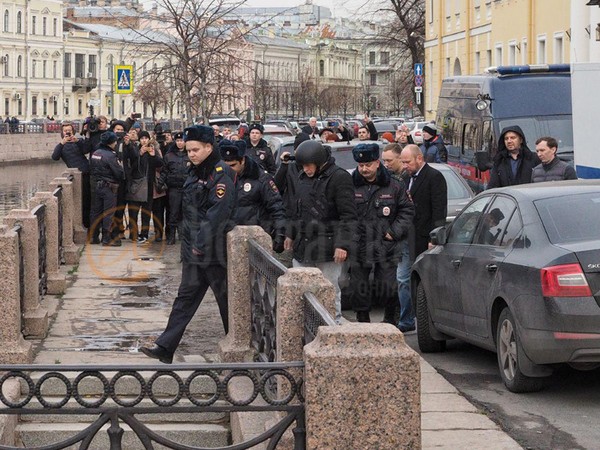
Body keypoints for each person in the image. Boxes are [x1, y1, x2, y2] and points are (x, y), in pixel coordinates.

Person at [141, 125, 237, 364]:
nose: (191, 154)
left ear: (208, 147)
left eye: (196, 150)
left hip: (213, 254)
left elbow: (217, 215)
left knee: (227, 303)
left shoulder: (220, 173)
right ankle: (165, 347)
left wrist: (199, 245)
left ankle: (239, 347)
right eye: (189, 149)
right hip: (194, 251)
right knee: (184, 299)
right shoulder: (194, 172)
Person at [284, 140, 357, 321]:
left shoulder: (339, 177)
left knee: (329, 288)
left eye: (308, 166)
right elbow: (297, 208)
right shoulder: (302, 178)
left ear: (318, 162)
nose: (306, 169)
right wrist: (290, 234)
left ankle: (333, 322)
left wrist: (342, 245)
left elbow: (348, 215)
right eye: (303, 166)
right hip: (304, 244)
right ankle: (306, 325)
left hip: (329, 245)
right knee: (301, 288)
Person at [349, 143, 414, 324]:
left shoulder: (395, 185)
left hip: (386, 245)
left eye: (368, 165)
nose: (364, 169)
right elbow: (343, 212)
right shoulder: (350, 185)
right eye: (361, 166)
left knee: (388, 286)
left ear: (377, 163)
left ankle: (390, 320)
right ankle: (363, 322)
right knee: (358, 288)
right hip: (360, 244)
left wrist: (393, 233)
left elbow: (407, 211)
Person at [219, 139, 286, 252]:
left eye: (233, 165)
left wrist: (280, 235)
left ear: (242, 161)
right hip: (228, 238)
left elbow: (276, 207)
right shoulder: (220, 178)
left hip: (256, 238)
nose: (229, 170)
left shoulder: (261, 179)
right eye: (226, 166)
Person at [382, 143, 414, 332]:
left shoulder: (405, 180)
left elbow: (408, 211)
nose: (385, 164)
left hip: (404, 237)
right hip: (389, 238)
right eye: (383, 160)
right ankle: (396, 316)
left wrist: (394, 231)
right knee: (394, 280)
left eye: (389, 160)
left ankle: (405, 319)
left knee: (402, 279)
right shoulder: (389, 179)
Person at [401, 144, 447, 258]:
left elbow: (439, 210)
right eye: (403, 162)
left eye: (408, 162)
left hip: (423, 236)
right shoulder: (406, 177)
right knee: (403, 273)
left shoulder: (434, 176)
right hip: (407, 235)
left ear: (419, 158)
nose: (405, 166)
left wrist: (434, 238)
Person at [52, 122, 92, 229]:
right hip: (76, 177)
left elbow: (86, 150)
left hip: (87, 173)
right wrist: (62, 143)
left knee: (89, 200)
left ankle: (90, 225)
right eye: (65, 131)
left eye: (69, 130)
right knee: (81, 201)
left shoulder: (78, 141)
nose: (68, 132)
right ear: (62, 133)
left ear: (73, 131)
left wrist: (78, 141)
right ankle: (84, 224)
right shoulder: (61, 146)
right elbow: (54, 157)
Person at [89, 131, 125, 246]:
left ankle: (93, 236)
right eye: (115, 141)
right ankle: (106, 238)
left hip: (97, 185)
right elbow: (119, 173)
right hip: (109, 187)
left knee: (96, 212)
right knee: (108, 213)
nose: (116, 143)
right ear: (111, 143)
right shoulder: (110, 155)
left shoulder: (96, 153)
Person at [158, 131, 190, 245]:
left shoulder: (190, 155)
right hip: (174, 188)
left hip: (187, 188)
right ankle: (171, 235)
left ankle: (183, 235)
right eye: (178, 141)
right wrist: (160, 184)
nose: (180, 143)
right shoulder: (169, 155)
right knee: (173, 213)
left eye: (182, 141)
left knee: (185, 212)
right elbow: (164, 172)